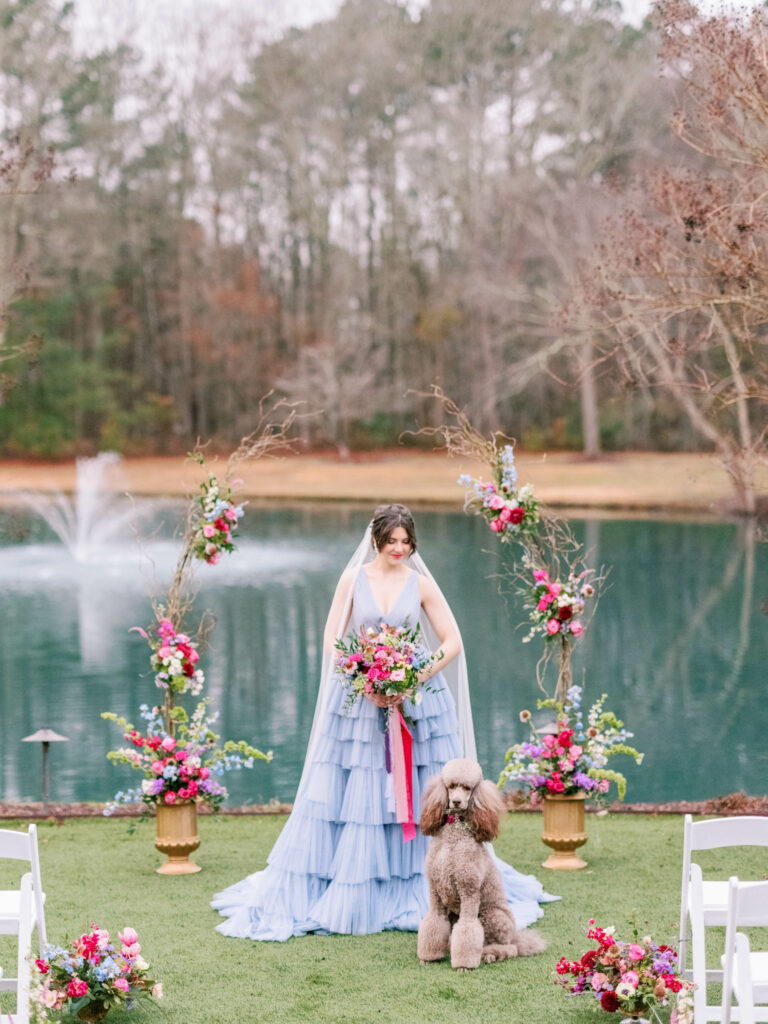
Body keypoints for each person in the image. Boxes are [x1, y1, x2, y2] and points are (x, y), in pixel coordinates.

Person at [211, 503, 555, 941]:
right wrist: (359, 675)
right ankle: (359, 884)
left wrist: (414, 678)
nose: (399, 548)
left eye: (406, 542)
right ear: (376, 540)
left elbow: (452, 642)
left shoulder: (422, 584)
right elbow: (332, 637)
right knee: (361, 789)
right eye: (392, 541)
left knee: (420, 787)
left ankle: (431, 883)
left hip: (417, 702)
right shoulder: (353, 579)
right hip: (359, 699)